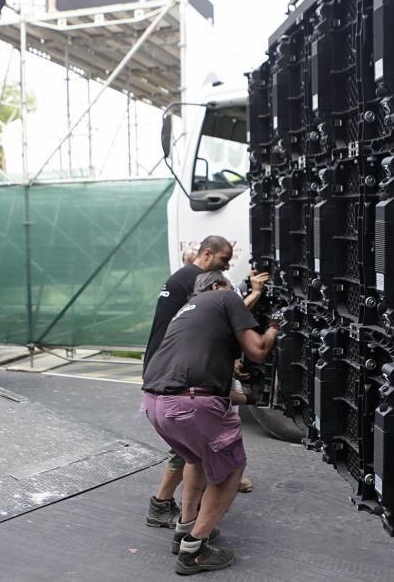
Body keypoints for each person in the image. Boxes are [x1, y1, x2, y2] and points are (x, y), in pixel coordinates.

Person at [142, 271, 279, 574]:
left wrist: (246, 392)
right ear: (218, 285)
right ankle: (195, 549)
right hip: (188, 404)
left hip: (154, 403)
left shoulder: (186, 312)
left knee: (197, 459)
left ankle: (185, 528)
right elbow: (258, 350)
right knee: (231, 470)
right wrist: (275, 326)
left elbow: (200, 373)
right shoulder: (224, 296)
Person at [144, 236, 233, 529]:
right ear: (207, 254)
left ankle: (173, 504)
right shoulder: (199, 282)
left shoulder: (182, 277)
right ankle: (164, 505)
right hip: (174, 376)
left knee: (191, 447)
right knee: (187, 449)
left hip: (165, 370)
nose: (227, 266)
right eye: (223, 259)